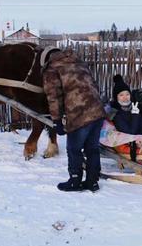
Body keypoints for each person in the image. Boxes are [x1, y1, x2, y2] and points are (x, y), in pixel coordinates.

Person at [42, 49, 106, 192]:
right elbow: (93, 85)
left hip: (79, 113)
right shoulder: (79, 62)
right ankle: (92, 182)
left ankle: (75, 181)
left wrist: (56, 120)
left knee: (74, 149)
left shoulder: (52, 68)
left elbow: (53, 97)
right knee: (92, 149)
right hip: (97, 111)